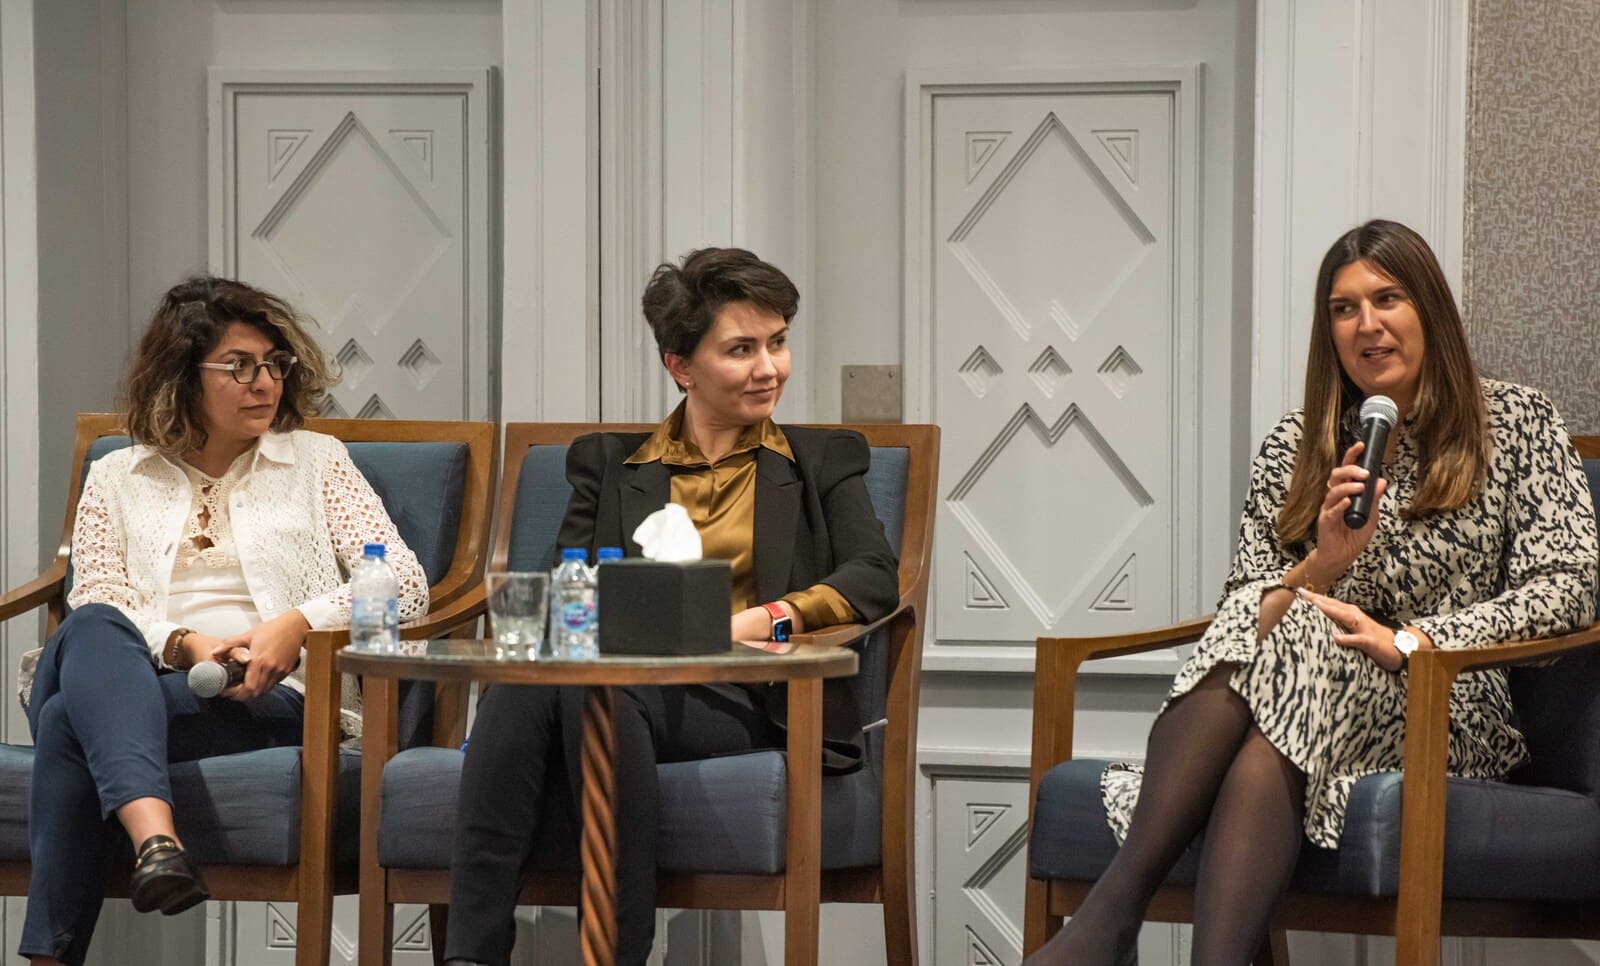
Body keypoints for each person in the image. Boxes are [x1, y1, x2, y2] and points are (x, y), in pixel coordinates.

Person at [1027, 220, 1599, 966]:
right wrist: (1321, 567)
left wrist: (1410, 641)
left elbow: (1570, 586)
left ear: (1429, 307)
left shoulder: (1518, 422)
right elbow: (1246, 608)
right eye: (1343, 308)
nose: (1367, 325)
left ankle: (1110, 919)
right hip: (1304, 698)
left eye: (1387, 299)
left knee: (1290, 641)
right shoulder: (1296, 444)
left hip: (1447, 705)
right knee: (1277, 652)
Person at [445, 247, 899, 966]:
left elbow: (873, 575)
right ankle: (474, 958)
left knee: (587, 688)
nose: (769, 368)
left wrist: (761, 619)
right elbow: (568, 588)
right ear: (680, 366)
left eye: (778, 343)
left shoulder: (821, 460)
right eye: (741, 349)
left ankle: (607, 953)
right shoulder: (609, 464)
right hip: (622, 689)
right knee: (536, 684)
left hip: (754, 695)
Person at [19, 277, 429, 966]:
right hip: (125, 673)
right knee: (93, 624)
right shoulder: (117, 476)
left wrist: (297, 623)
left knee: (67, 722)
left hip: (264, 694)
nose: (264, 382)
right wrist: (184, 644)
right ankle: (158, 842)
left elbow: (405, 586)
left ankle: (146, 855)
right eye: (239, 367)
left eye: (274, 364)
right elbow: (96, 595)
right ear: (183, 376)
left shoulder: (317, 461)